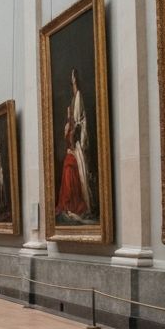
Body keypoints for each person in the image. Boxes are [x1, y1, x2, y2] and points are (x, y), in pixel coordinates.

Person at [56, 68, 91, 218]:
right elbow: (68, 137)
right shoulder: (67, 125)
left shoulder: (78, 99)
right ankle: (68, 203)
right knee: (67, 166)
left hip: (77, 148)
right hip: (72, 149)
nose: (73, 81)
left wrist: (74, 133)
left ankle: (73, 203)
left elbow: (79, 124)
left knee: (70, 166)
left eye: (74, 79)